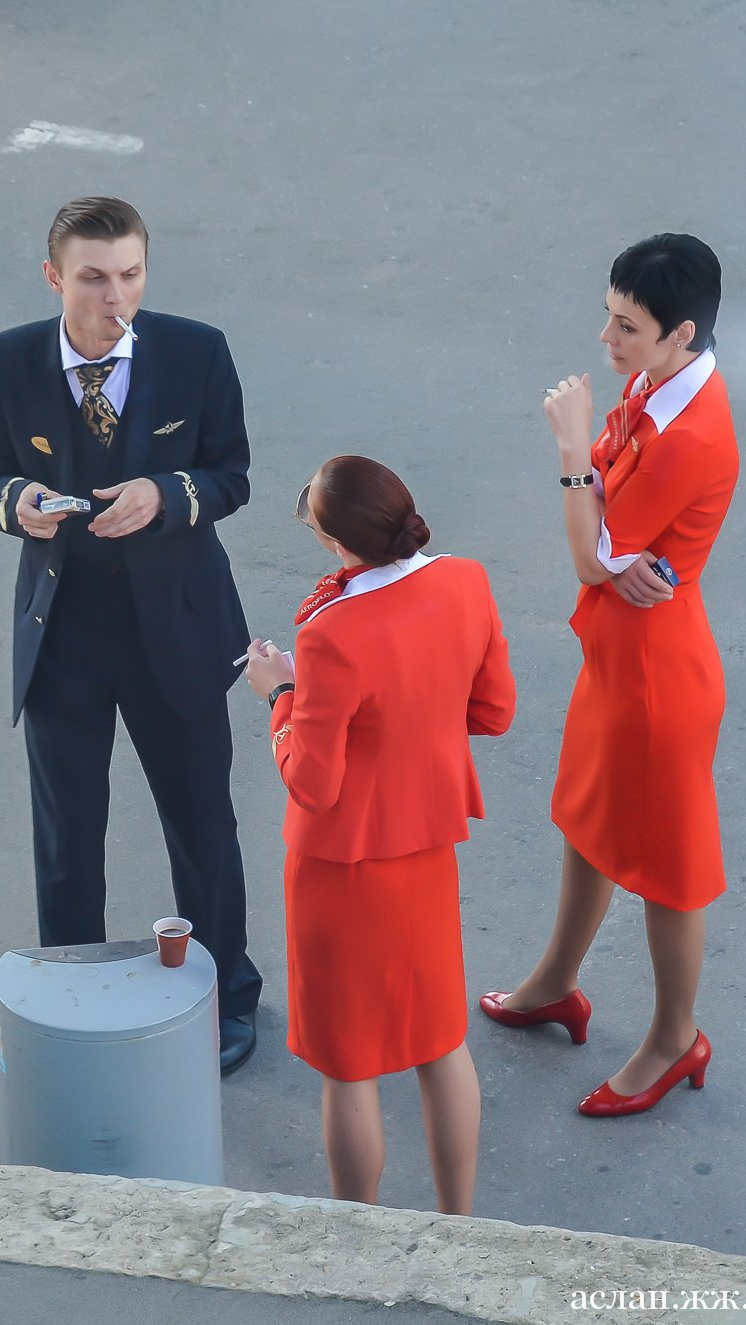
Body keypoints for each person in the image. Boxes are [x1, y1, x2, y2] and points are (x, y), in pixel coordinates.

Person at [0, 196, 263, 1072]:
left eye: (130, 274)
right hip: (64, 638)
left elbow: (232, 474)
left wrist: (167, 495)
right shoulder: (7, 361)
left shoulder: (197, 351)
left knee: (203, 828)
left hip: (176, 628)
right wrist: (14, 505)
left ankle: (226, 997)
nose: (115, 296)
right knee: (66, 840)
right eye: (94, 278)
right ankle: (73, 996)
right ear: (55, 277)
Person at [479, 233, 737, 1117]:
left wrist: (571, 452)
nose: (608, 339)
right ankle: (556, 978)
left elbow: (590, 556)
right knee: (586, 820)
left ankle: (675, 1036)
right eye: (609, 316)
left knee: (667, 872)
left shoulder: (684, 434)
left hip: (660, 682)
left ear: (682, 333)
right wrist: (604, 543)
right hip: (624, 658)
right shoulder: (659, 384)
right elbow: (604, 552)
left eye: (627, 326)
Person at [243, 456, 516, 1214]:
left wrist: (281, 694)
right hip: (425, 846)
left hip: (340, 871)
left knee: (348, 1068)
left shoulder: (331, 633)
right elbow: (492, 711)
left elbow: (312, 782)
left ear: (336, 545)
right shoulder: (467, 580)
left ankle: (356, 1236)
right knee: (439, 1043)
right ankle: (460, 1222)